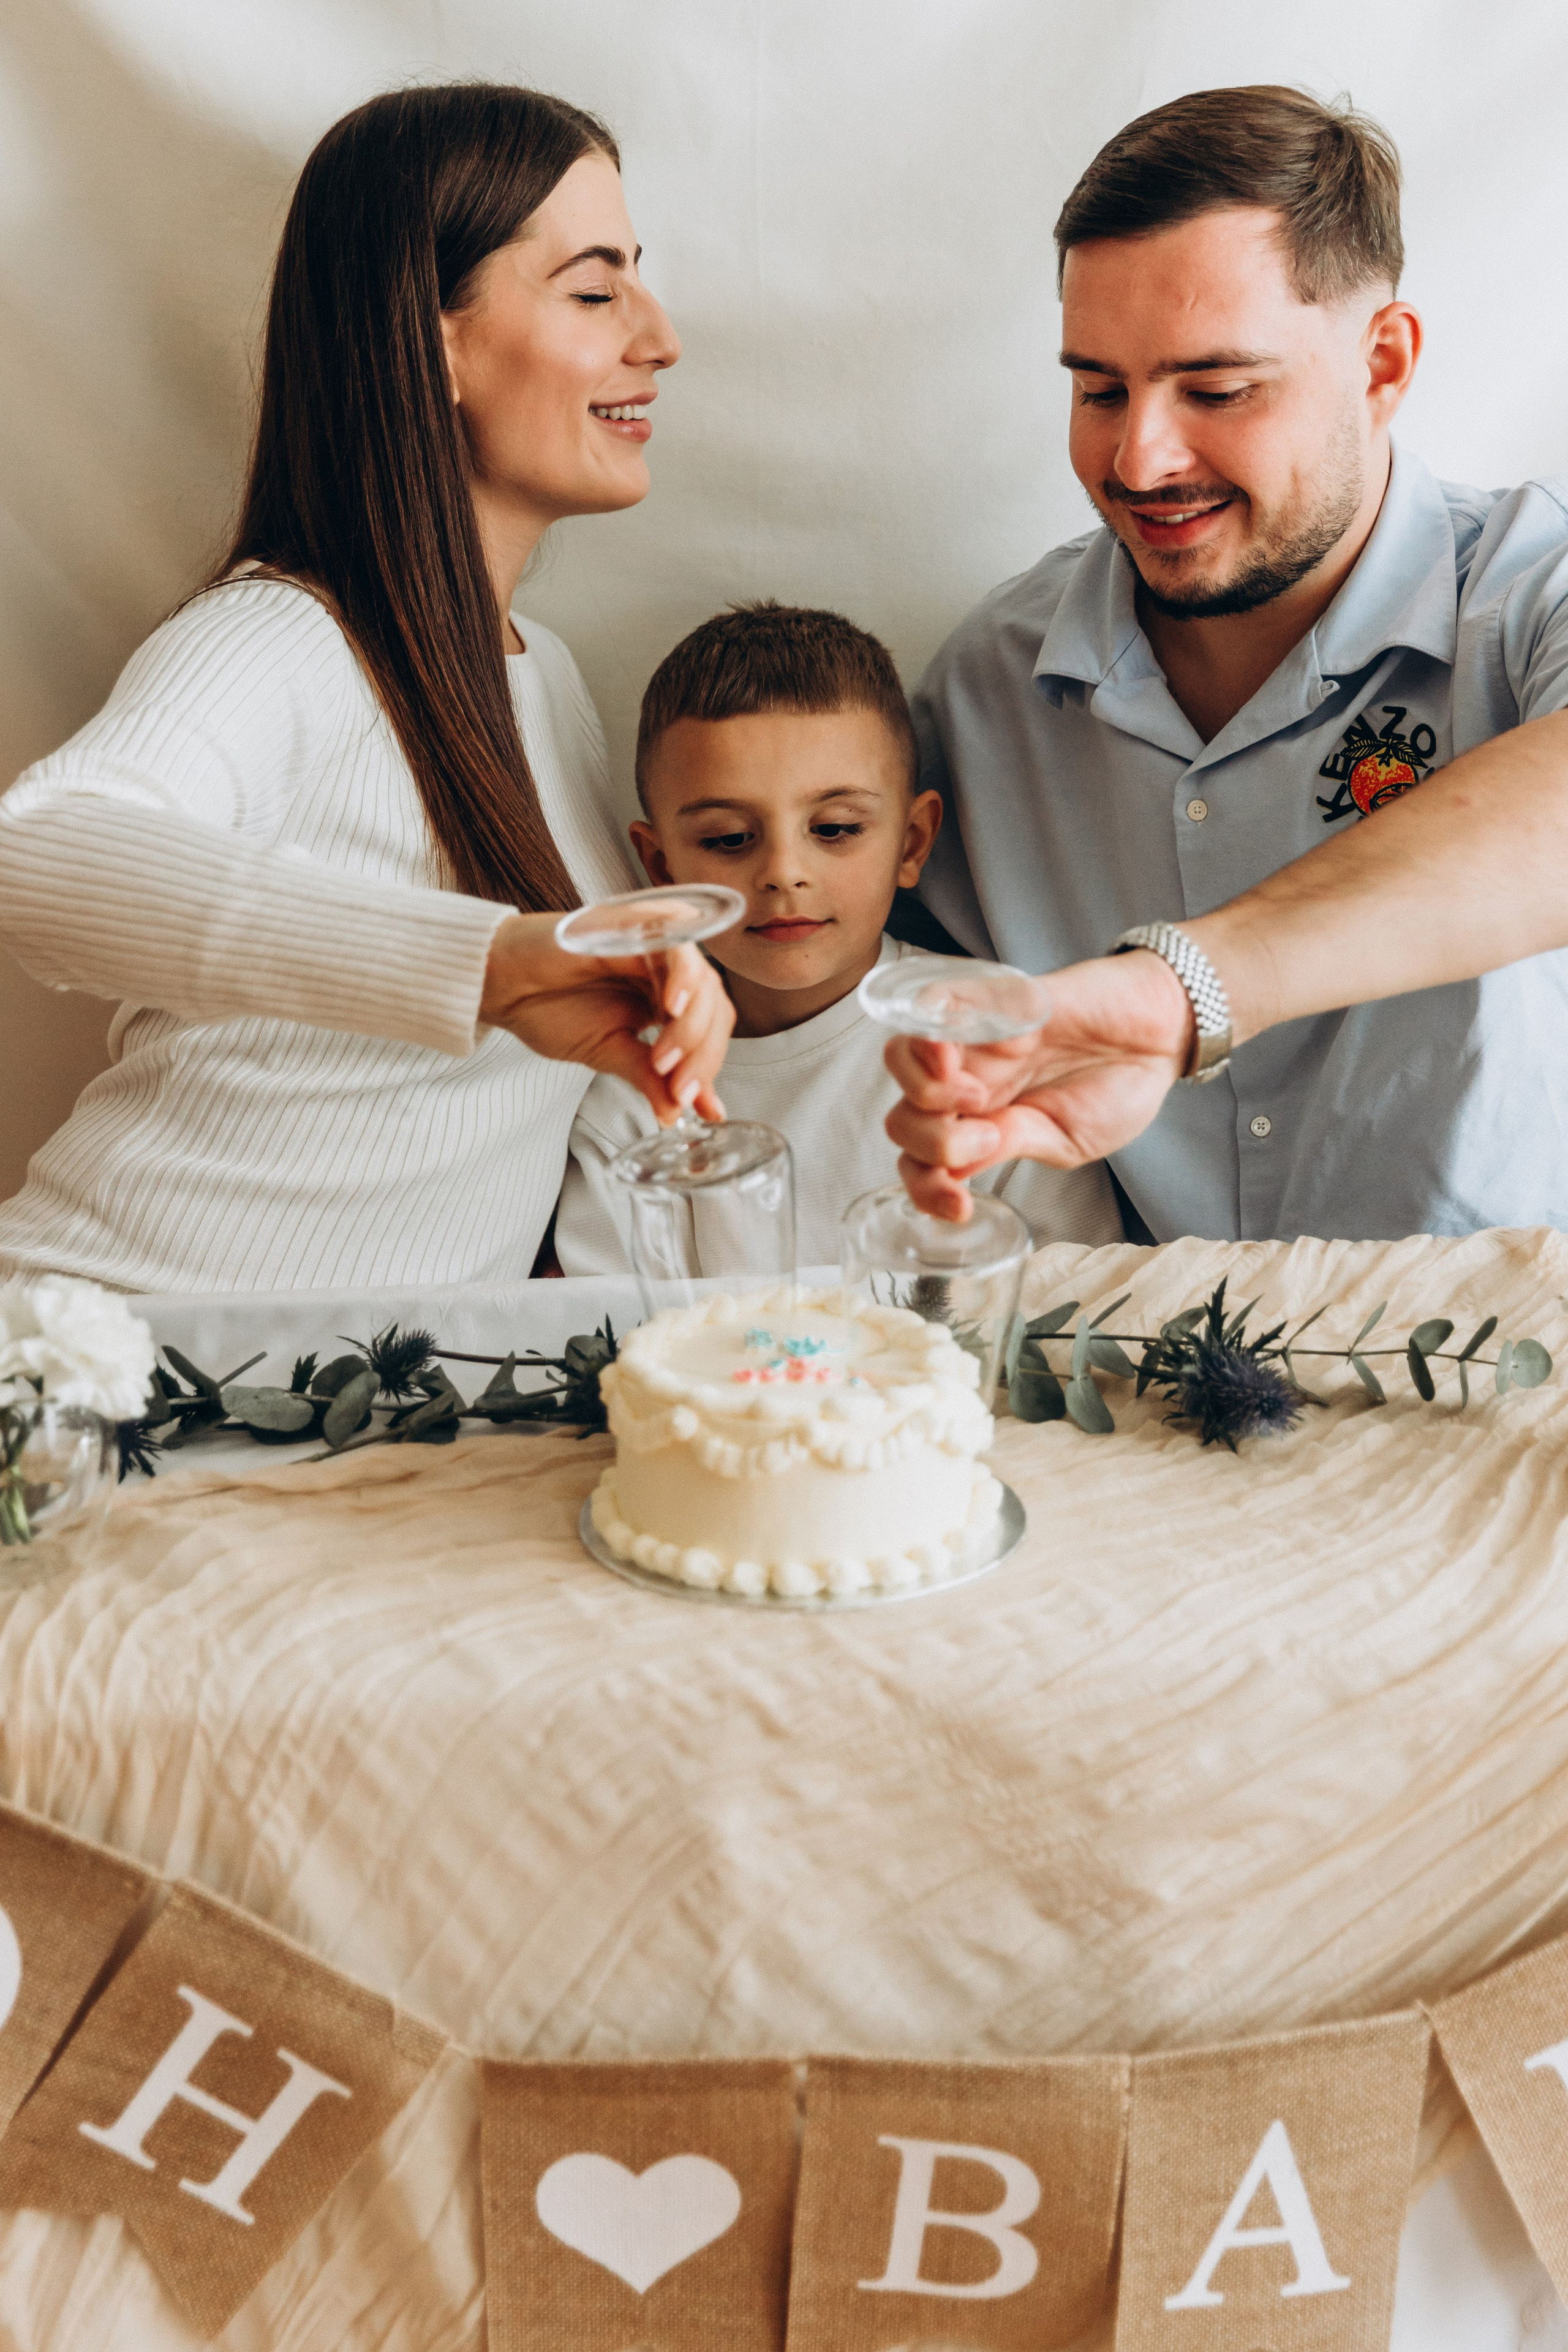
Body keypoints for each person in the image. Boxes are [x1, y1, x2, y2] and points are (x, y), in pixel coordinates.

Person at [0, 86, 731, 1294]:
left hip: (348, 1430)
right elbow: (42, 855)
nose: (657, 336)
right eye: (595, 291)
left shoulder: (548, 688)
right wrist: (490, 964)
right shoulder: (281, 637)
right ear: (431, 338)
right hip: (106, 1371)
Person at [898, 86, 1568, 1240]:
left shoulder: (1530, 591)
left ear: (1383, 363)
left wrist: (1179, 991)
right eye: (1098, 388)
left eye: (1218, 390)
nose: (1139, 456)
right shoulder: (984, 691)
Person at [554, 603, 1123, 1271]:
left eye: (835, 829)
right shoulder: (632, 1091)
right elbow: (608, 1335)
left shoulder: (991, 1044)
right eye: (728, 839)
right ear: (660, 869)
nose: (783, 874)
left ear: (910, 843)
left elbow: (1076, 1307)